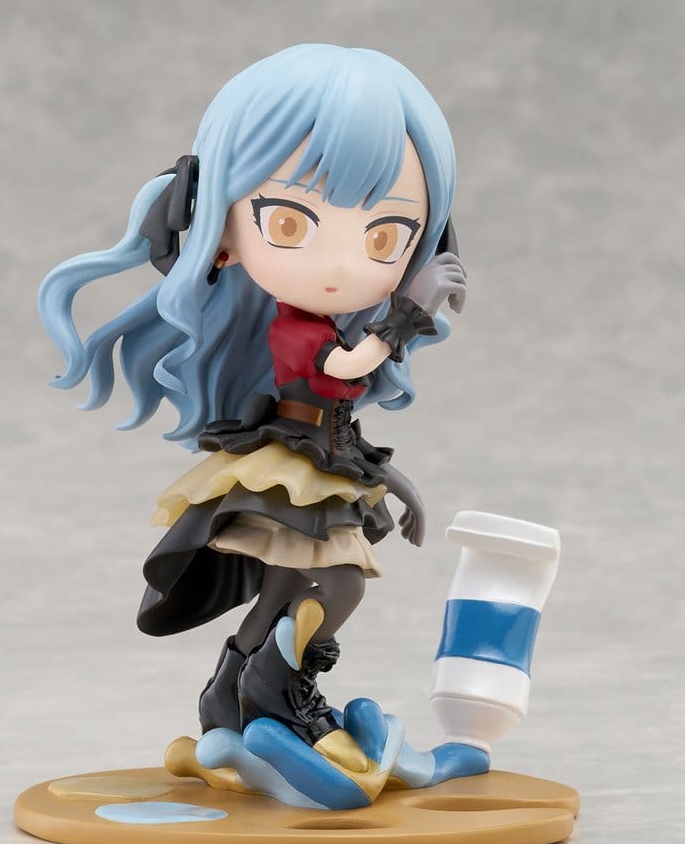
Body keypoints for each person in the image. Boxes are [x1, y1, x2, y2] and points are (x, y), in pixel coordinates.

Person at [39, 44, 465, 753]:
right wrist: (409, 313)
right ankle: (274, 686)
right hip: (294, 457)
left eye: (385, 236)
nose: (341, 266)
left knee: (286, 588)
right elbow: (347, 367)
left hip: (320, 454)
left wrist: (402, 488)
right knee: (339, 585)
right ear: (222, 233)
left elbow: (343, 429)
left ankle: (231, 691)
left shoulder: (323, 322)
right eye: (290, 224)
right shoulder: (301, 331)